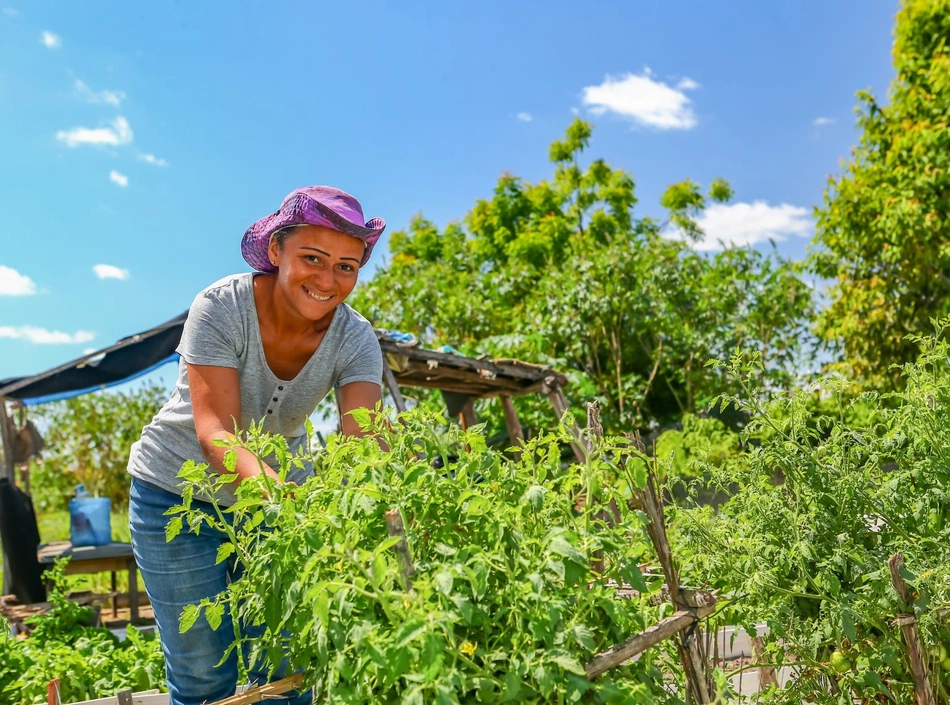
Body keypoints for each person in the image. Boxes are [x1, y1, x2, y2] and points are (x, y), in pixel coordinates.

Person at [127, 186, 386, 705]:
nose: (327, 279)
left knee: (289, 669)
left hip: (277, 507)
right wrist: (291, 502)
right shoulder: (222, 306)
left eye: (346, 266)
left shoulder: (356, 340)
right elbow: (216, 434)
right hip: (176, 494)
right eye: (312, 258)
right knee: (203, 675)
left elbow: (365, 447)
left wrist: (364, 509)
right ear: (276, 252)